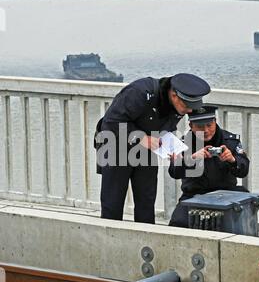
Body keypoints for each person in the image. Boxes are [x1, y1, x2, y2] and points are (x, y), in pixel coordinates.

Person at [95, 73, 211, 223]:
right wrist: (140, 137)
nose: (190, 111)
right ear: (174, 95)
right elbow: (111, 122)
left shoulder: (181, 105)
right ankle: (109, 242)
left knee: (146, 201)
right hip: (116, 146)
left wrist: (173, 148)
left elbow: (166, 126)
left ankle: (145, 241)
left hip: (147, 149)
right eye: (187, 106)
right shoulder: (140, 92)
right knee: (113, 203)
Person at [169, 106, 250, 228]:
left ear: (215, 121)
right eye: (200, 127)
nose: (206, 130)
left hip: (227, 193)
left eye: (209, 125)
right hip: (194, 195)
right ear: (191, 126)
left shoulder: (230, 141)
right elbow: (174, 172)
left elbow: (244, 170)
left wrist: (233, 160)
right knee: (178, 224)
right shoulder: (183, 144)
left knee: (239, 220)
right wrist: (192, 159)